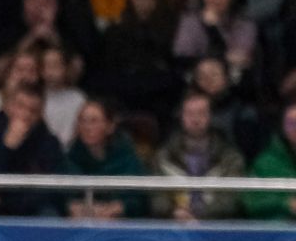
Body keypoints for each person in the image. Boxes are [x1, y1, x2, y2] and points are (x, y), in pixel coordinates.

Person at [92, 0, 182, 126]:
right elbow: (105, 77)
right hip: (122, 105)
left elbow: (175, 78)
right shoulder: (114, 33)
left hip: (160, 109)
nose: (143, 3)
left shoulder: (172, 33)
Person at [0, 82, 64, 215]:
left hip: (27, 205)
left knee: (49, 213)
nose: (25, 114)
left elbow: (48, 188)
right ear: (7, 106)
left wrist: (5, 203)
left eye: (33, 110)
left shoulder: (49, 143)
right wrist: (6, 148)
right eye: (20, 106)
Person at [155, 90, 245, 221]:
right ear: (181, 116)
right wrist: (173, 211)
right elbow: (157, 197)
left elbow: (230, 199)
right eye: (190, 114)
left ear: (211, 116)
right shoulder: (163, 156)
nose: (195, 119)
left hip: (217, 228)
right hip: (174, 228)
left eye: (201, 113)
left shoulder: (230, 157)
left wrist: (200, 215)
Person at [65, 99, 149, 220]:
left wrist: (118, 208)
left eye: (94, 121)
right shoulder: (70, 158)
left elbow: (138, 201)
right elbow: (62, 197)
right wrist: (72, 206)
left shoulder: (126, 158)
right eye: (82, 121)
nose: (87, 127)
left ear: (110, 126)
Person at [173, 0, 259, 80]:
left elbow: (240, 62)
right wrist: (224, 56)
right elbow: (182, 57)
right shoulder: (190, 20)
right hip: (196, 79)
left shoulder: (245, 23)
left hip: (232, 81)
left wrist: (212, 29)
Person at [242, 102, 296, 222]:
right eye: (292, 124)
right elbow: (251, 202)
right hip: (276, 231)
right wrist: (286, 204)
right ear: (283, 126)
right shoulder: (265, 162)